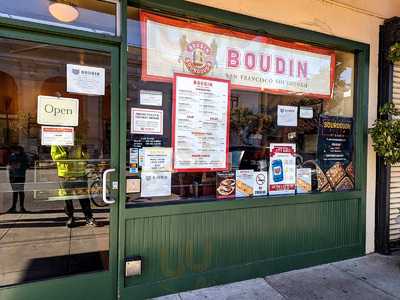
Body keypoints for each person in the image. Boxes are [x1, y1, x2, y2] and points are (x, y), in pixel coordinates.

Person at [51, 145, 97, 228]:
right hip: (65, 175)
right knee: (67, 198)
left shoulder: (78, 140)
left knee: (84, 198)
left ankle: (89, 218)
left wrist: (85, 152)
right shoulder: (56, 142)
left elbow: (86, 158)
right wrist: (66, 152)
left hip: (79, 174)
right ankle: (70, 218)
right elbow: (54, 158)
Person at [8, 145, 29, 213]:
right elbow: (9, 164)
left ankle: (21, 207)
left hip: (20, 175)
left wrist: (18, 165)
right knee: (15, 191)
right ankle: (14, 207)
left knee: (20, 191)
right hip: (13, 176)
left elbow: (26, 165)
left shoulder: (24, 156)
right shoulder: (12, 155)